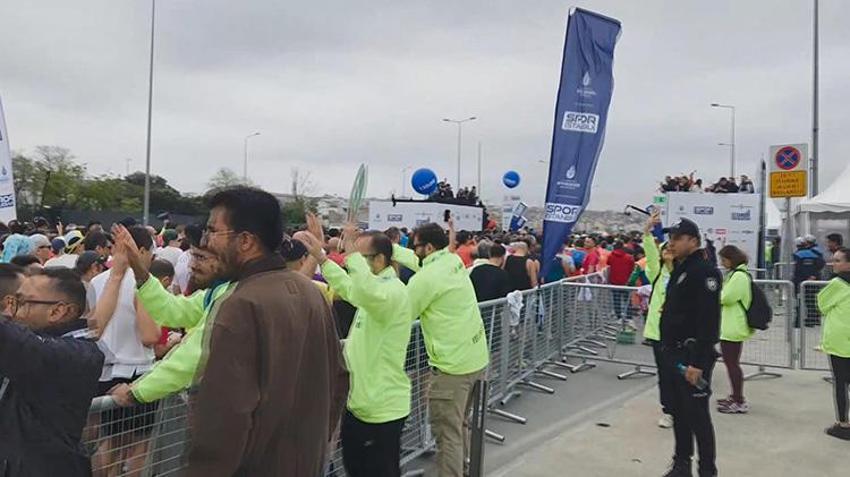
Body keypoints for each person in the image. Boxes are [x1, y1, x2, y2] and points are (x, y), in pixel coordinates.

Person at [183, 187, 348, 477]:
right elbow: (339, 380)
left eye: (213, 232)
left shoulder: (240, 304)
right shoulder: (310, 293)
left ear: (245, 241)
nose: (206, 243)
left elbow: (225, 417)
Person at [301, 214, 413, 477]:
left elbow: (362, 289)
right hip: (360, 403)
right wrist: (322, 259)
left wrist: (349, 248)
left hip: (381, 408)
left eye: (361, 257)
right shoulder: (371, 290)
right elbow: (351, 288)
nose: (354, 261)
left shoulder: (392, 292)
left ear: (380, 260)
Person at [392, 222, 489, 477]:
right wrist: (388, 247)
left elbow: (400, 315)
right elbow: (419, 262)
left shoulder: (424, 279)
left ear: (429, 247)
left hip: (451, 369)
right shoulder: (451, 261)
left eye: (415, 246)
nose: (412, 251)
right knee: (459, 427)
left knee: (447, 437)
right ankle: (465, 470)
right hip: (475, 359)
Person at [0, 266, 105, 476]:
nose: (12, 312)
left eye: (21, 303)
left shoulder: (79, 354)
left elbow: (24, 346)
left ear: (59, 311)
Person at [106, 243, 233, 408]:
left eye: (200, 257)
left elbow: (192, 357)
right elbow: (171, 308)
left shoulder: (232, 297)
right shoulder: (217, 292)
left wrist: (136, 392)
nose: (191, 265)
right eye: (192, 256)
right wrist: (139, 268)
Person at [659, 218, 721, 477]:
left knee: (697, 416)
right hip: (674, 352)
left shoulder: (703, 271)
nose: (671, 242)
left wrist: (697, 362)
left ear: (693, 241)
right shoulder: (680, 269)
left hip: (693, 354)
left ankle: (707, 469)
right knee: (679, 412)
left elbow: (708, 320)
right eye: (671, 237)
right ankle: (681, 462)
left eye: (678, 237)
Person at [642, 212, 676, 429]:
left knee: (678, 373)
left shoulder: (684, 273)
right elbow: (650, 254)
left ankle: (682, 406)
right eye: (665, 250)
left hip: (678, 331)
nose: (667, 252)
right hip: (658, 332)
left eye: (671, 249)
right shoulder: (657, 273)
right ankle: (669, 410)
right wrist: (647, 230)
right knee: (665, 373)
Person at [817, 247, 850, 440]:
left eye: (838, 260)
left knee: (840, 383)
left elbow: (821, 303)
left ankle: (843, 424)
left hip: (840, 341)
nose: (833, 263)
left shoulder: (837, 283)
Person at [716, 245, 755, 414]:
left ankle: (739, 400)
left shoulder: (739, 276)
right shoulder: (737, 274)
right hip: (731, 324)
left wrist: (716, 294)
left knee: (732, 364)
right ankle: (735, 396)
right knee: (731, 363)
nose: (722, 263)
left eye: (723, 260)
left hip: (733, 325)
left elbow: (727, 297)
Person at [607, 240, 636, 320]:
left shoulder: (610, 256)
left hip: (614, 281)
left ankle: (618, 316)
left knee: (616, 300)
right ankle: (629, 317)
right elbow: (632, 268)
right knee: (627, 300)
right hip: (626, 282)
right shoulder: (629, 257)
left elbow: (608, 264)